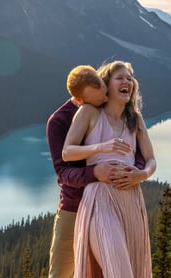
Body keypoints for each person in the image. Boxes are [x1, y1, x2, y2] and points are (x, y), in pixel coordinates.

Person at [46, 65, 147, 278]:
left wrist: (134, 171)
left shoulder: (111, 110)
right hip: (74, 206)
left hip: (113, 202)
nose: (104, 100)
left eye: (104, 92)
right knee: (61, 273)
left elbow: (135, 151)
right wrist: (95, 172)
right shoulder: (60, 121)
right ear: (82, 101)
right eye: (99, 99)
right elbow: (63, 172)